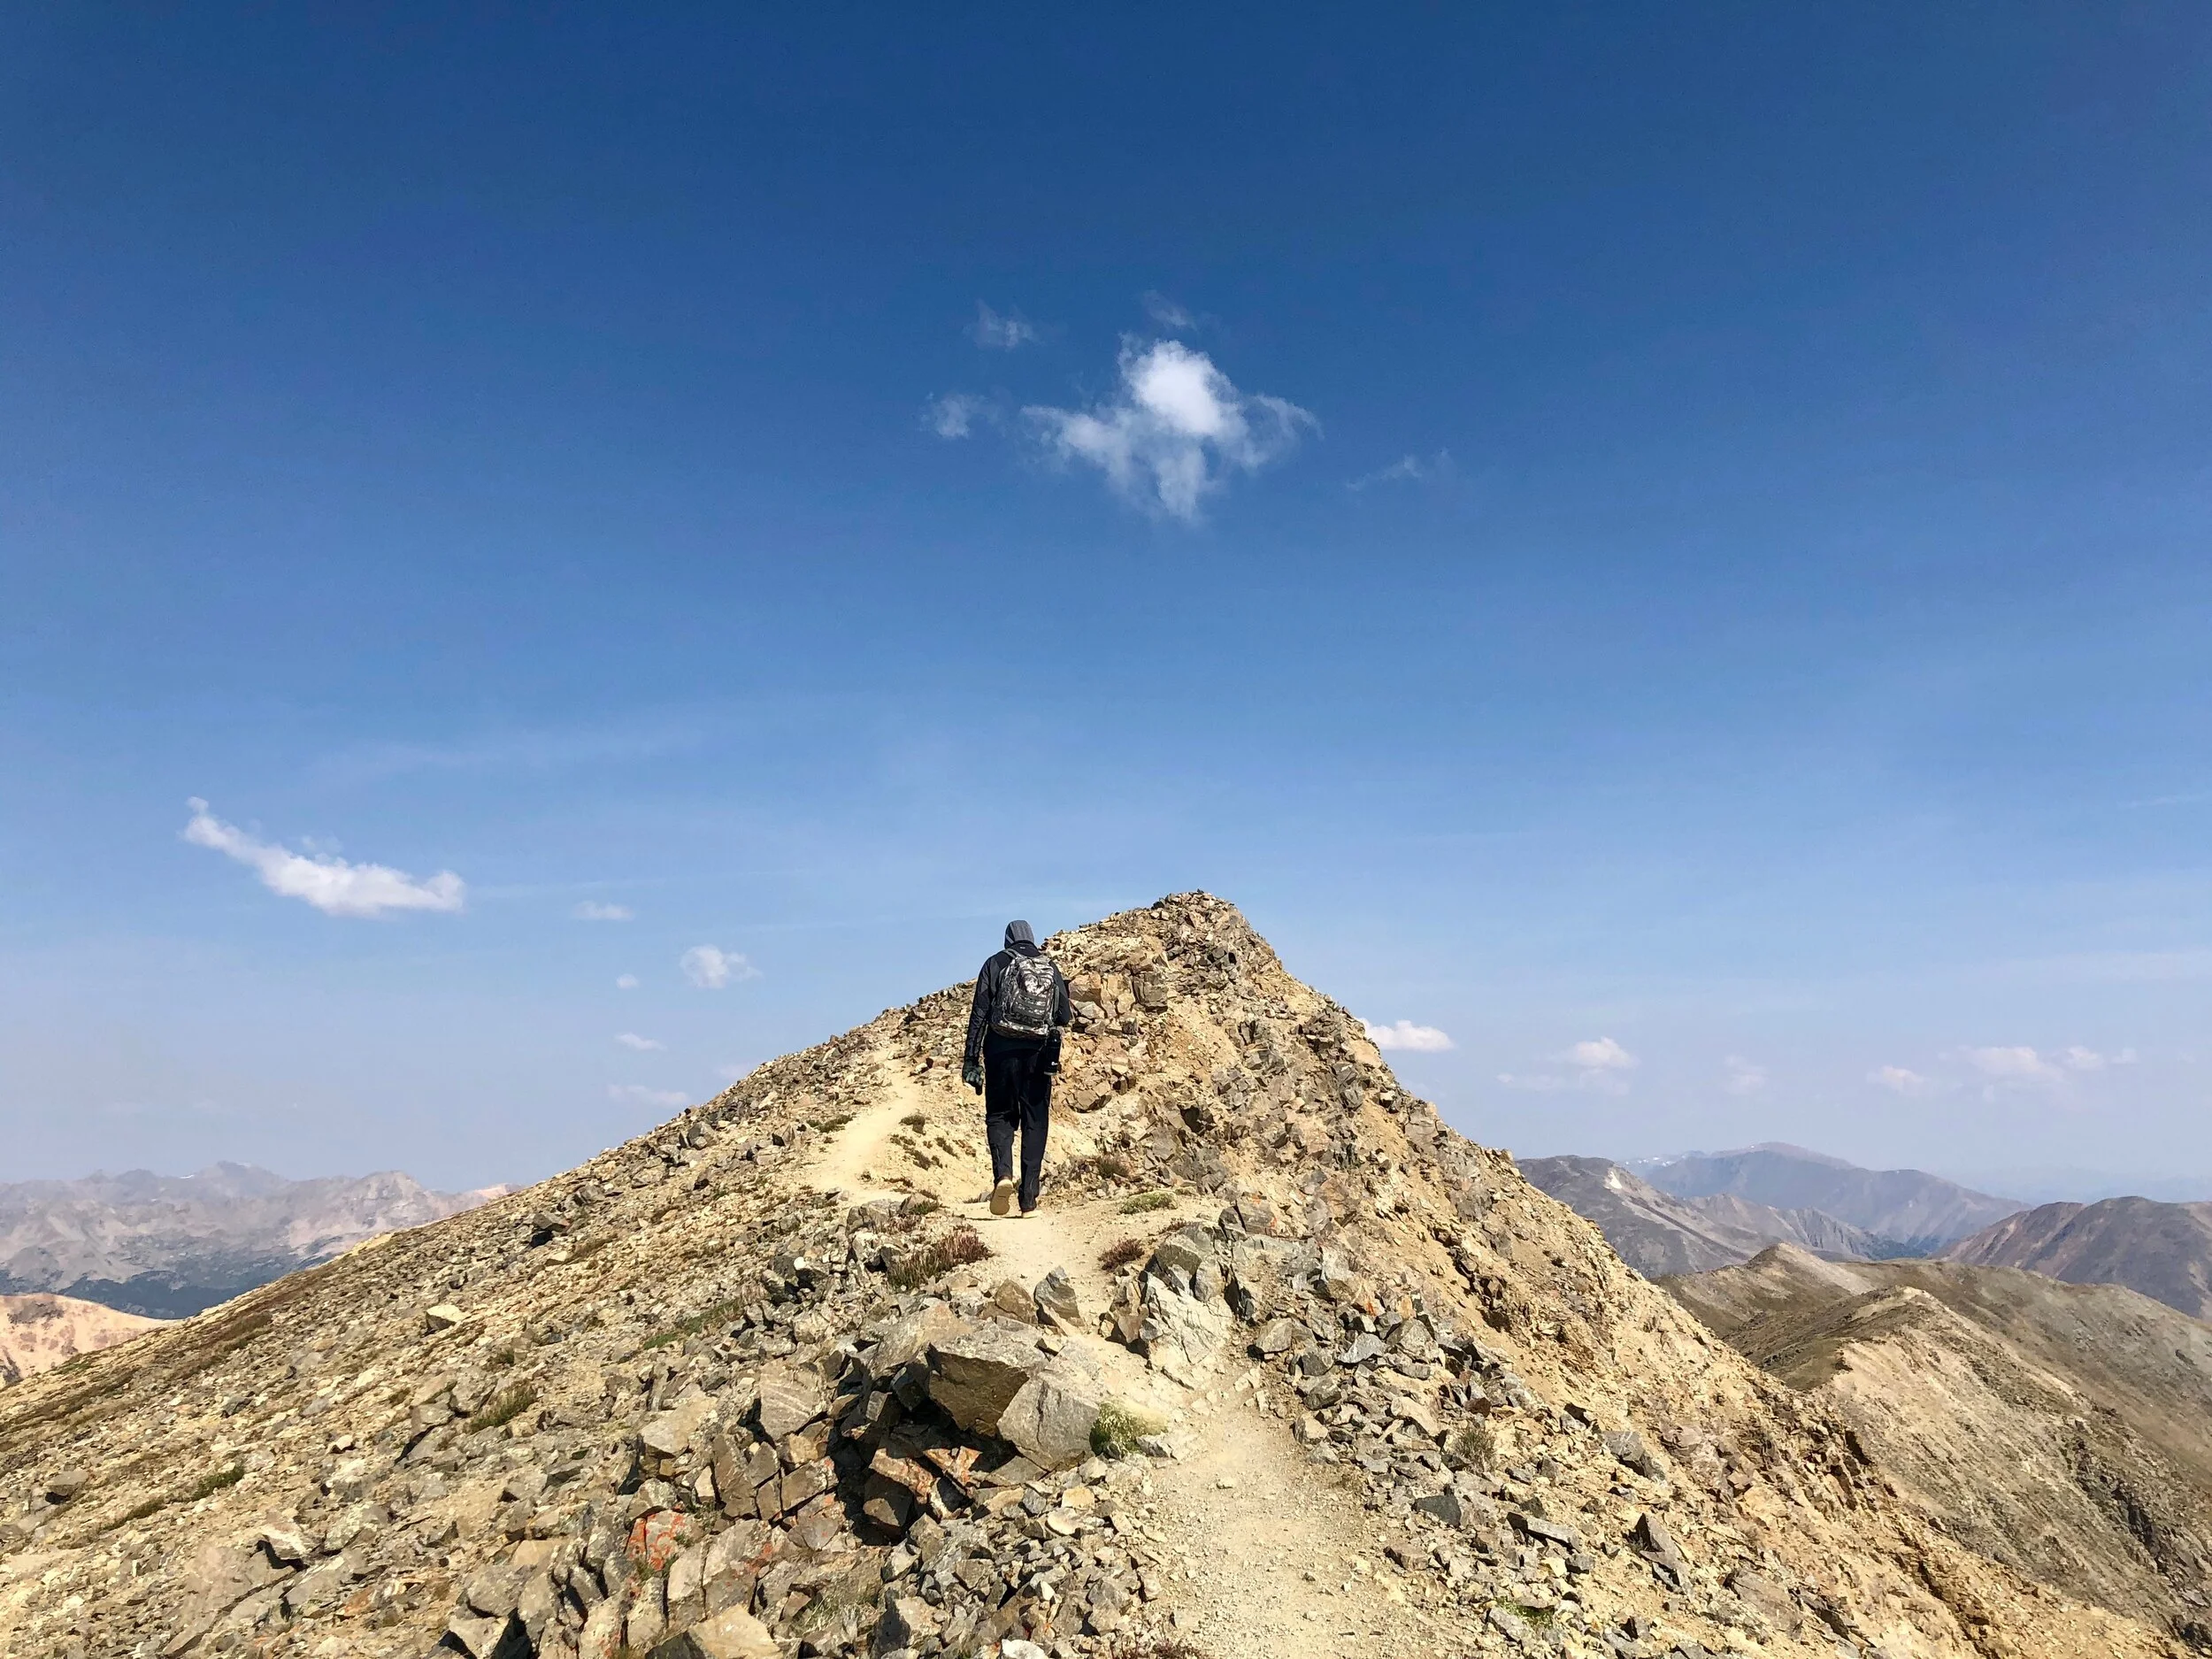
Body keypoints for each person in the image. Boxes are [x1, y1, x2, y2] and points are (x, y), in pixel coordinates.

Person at [963, 919, 1072, 1216]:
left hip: (999, 1052)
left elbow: (980, 1014)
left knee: (1000, 1116)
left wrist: (971, 1059)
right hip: (1038, 1055)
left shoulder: (995, 964)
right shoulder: (1049, 967)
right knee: (1035, 1120)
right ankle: (1029, 1200)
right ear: (1032, 939)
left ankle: (1004, 1177)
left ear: (1007, 940)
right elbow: (1064, 1015)